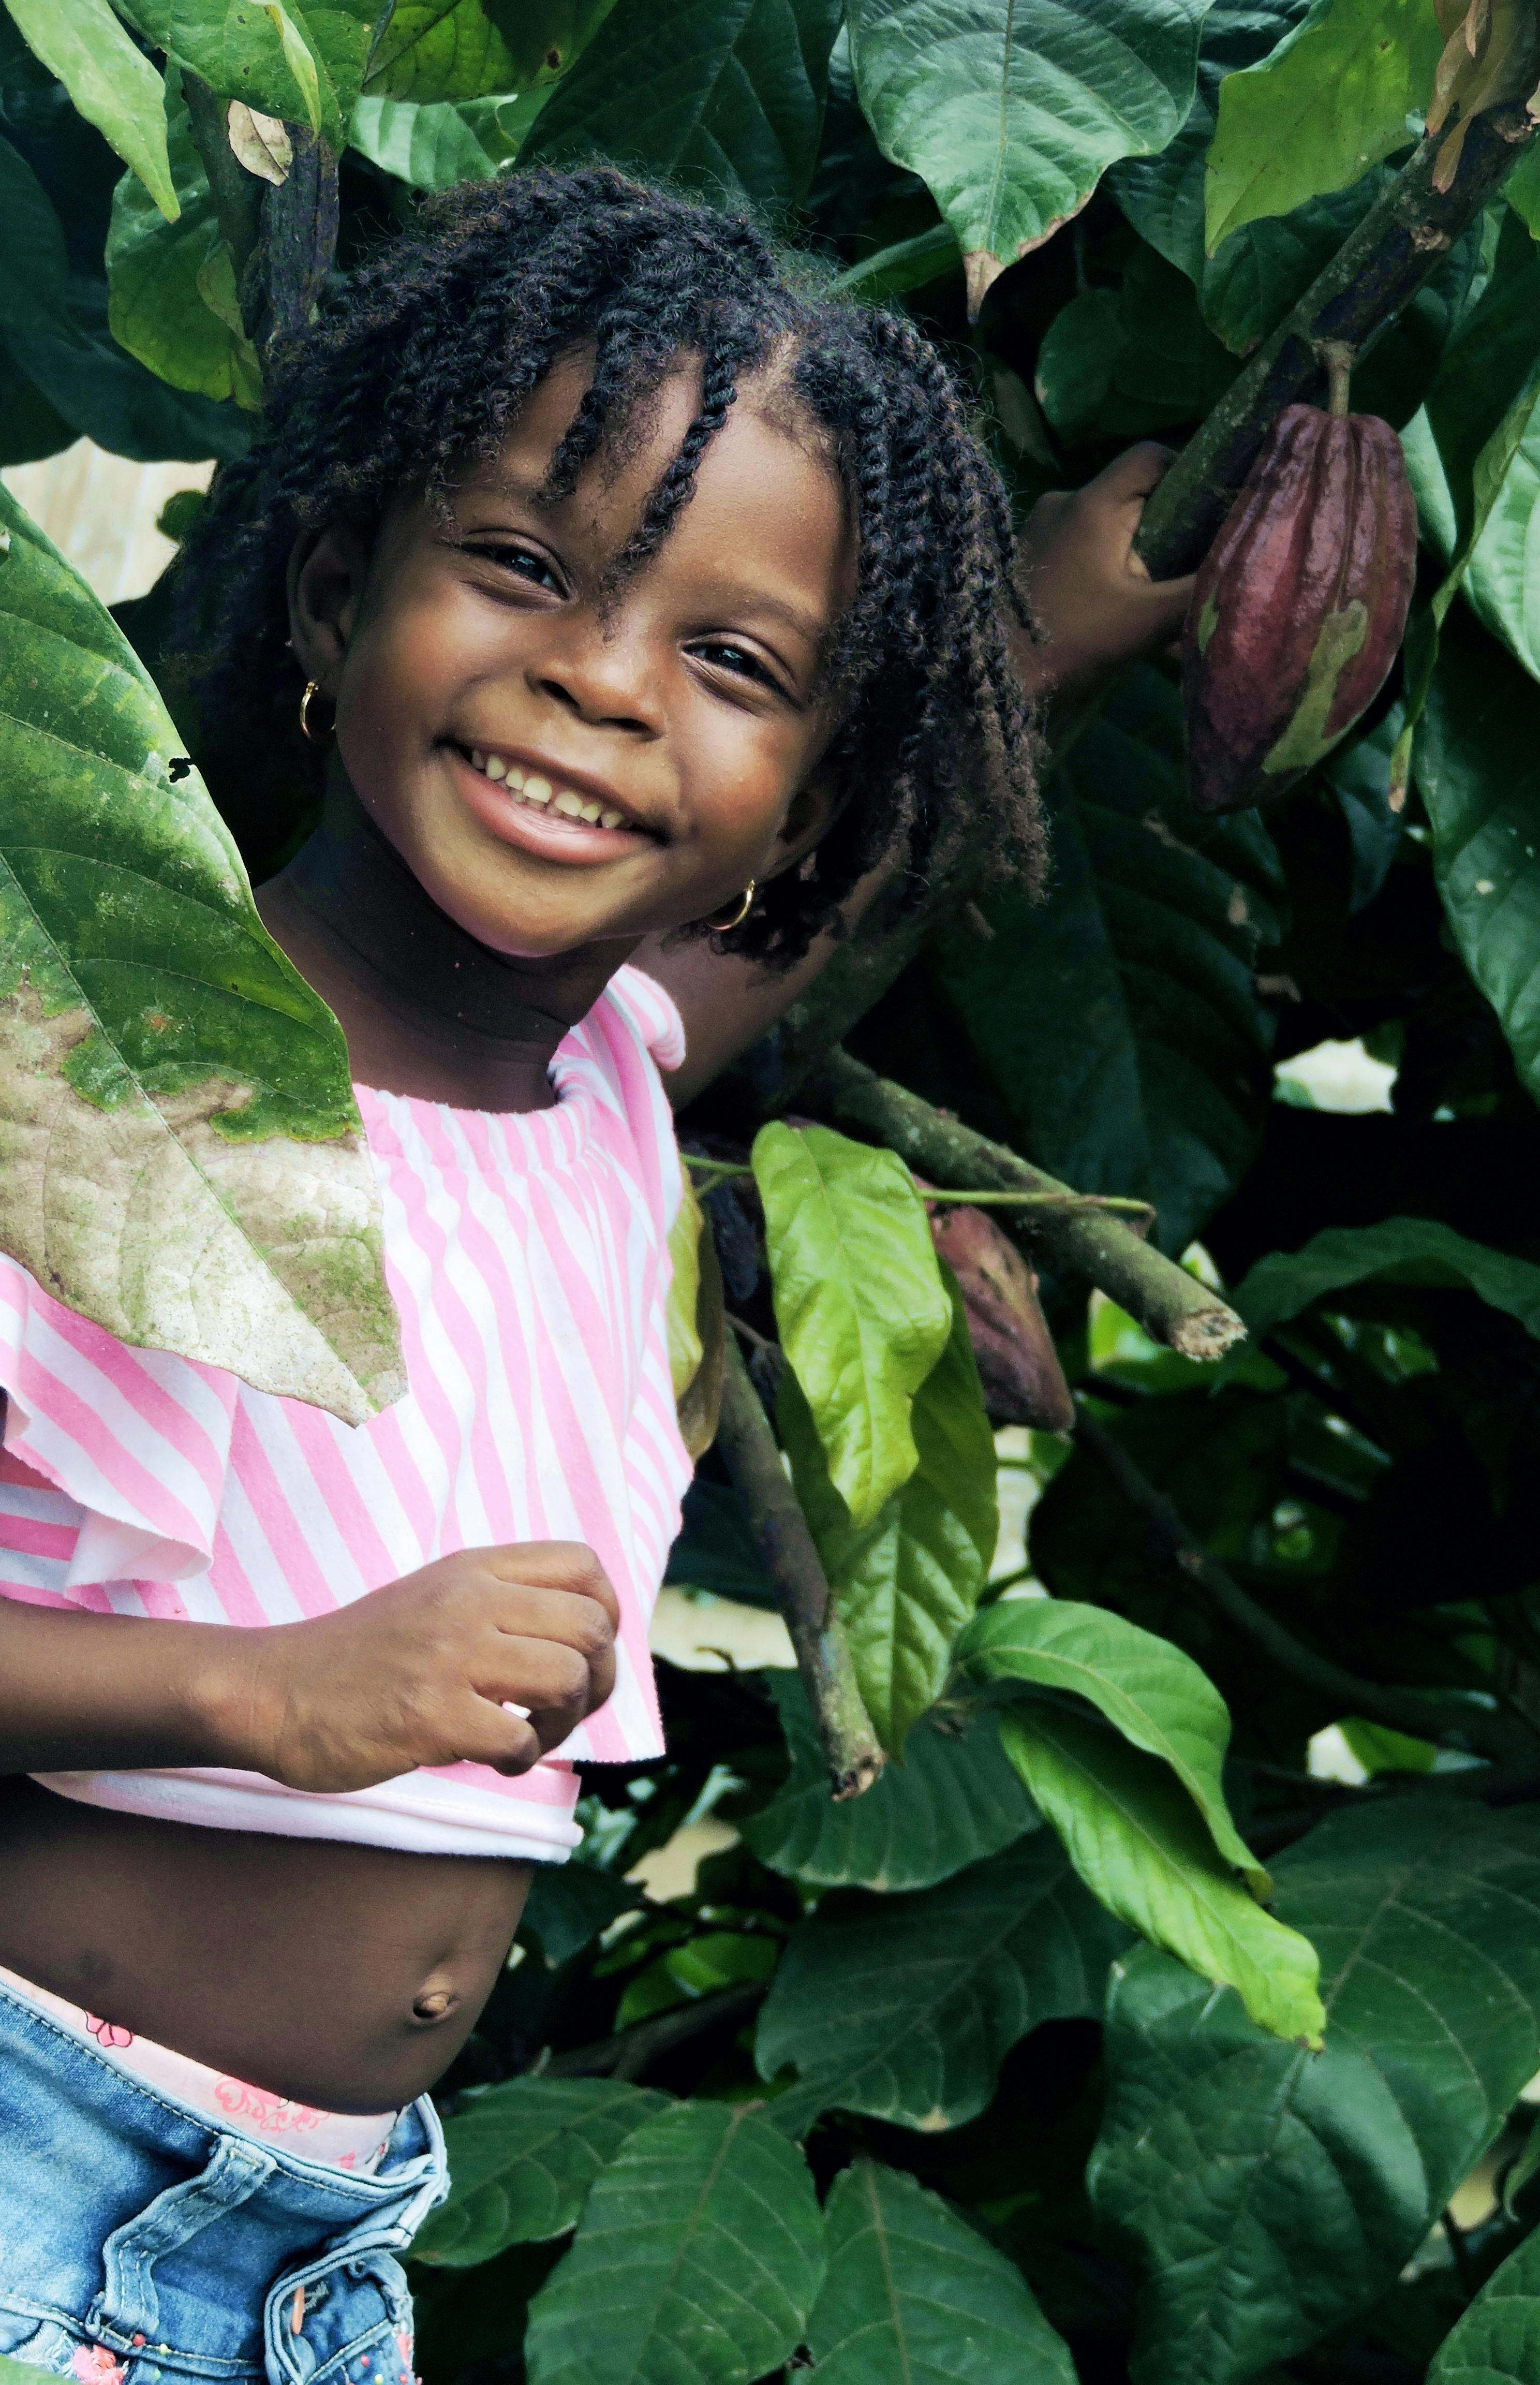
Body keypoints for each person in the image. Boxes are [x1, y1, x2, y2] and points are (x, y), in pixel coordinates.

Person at [0, 167, 1190, 2370]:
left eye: (731, 662)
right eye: (530, 569)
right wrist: (258, 1695)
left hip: (314, 2251)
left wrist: (1042, 629)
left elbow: (804, 930)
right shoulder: (89, 1081)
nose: (598, 682)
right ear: (340, 586)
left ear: (815, 787)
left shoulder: (612, 1095)